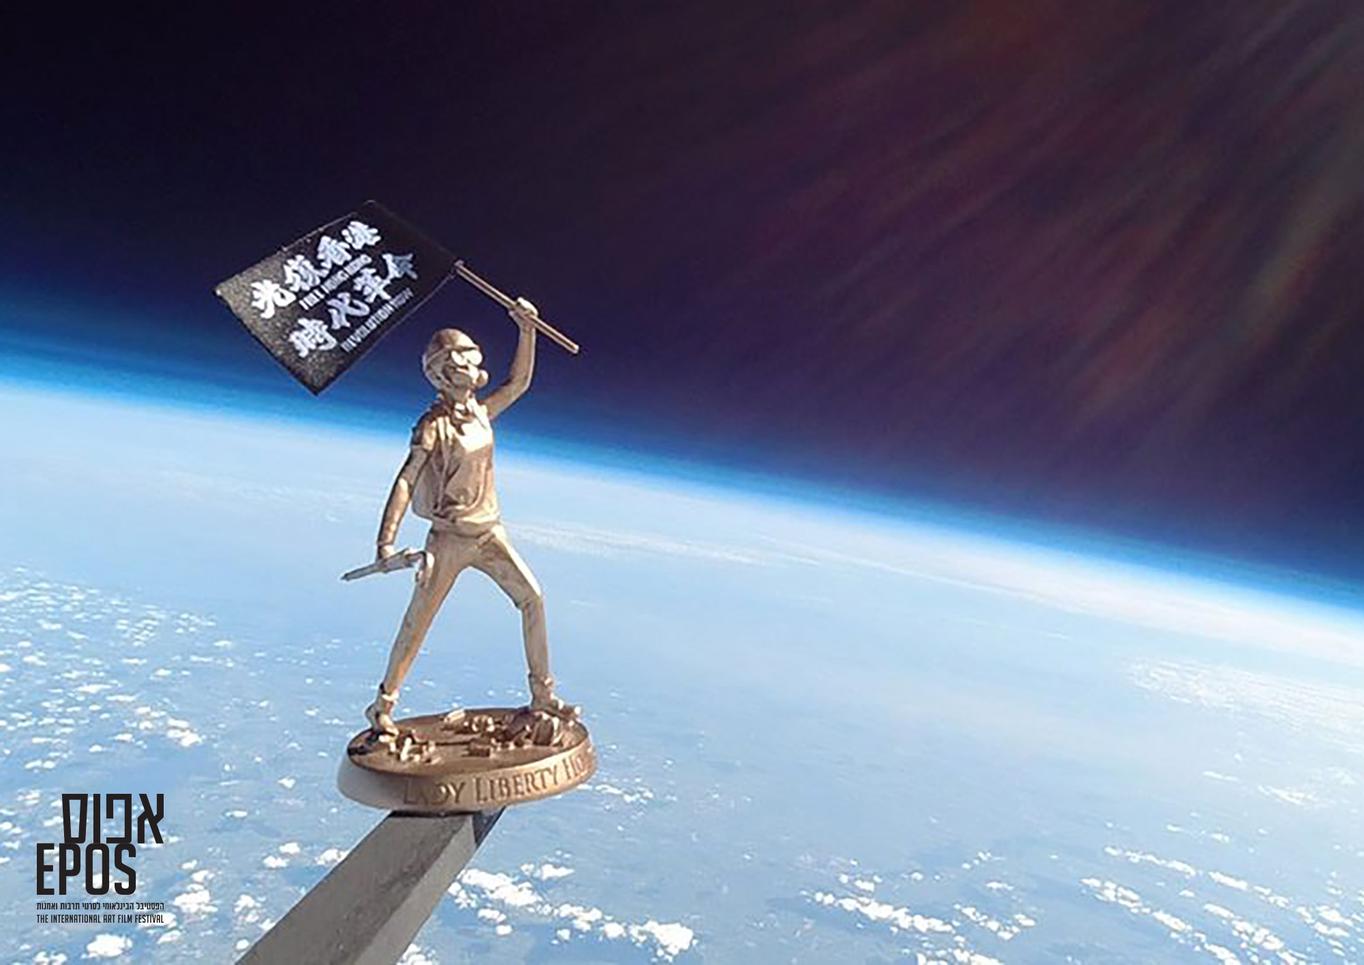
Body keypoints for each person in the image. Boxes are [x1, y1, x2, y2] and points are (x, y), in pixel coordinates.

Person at [363, 301, 572, 736]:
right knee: (418, 622)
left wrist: (527, 329)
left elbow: (519, 382)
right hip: (450, 539)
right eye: (463, 360)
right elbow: (406, 480)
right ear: (443, 372)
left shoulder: (481, 412)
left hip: (490, 532)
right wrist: (385, 543)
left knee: (532, 599)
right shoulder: (432, 426)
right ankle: (383, 705)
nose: (474, 366)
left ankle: (543, 695)